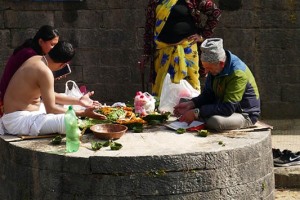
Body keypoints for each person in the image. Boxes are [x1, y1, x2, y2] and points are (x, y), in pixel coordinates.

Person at [0, 41, 105, 136]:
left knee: (65, 98)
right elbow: (51, 109)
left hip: (23, 112)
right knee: (67, 121)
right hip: (18, 121)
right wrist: (83, 113)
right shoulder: (45, 72)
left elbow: (50, 95)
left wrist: (79, 101)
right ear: (63, 65)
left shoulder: (35, 59)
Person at [174, 38, 261, 131]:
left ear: (221, 64)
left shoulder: (238, 74)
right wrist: (191, 104)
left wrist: (196, 112)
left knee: (215, 121)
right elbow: (208, 94)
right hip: (220, 104)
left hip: (243, 114)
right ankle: (199, 117)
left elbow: (228, 108)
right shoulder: (215, 69)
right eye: (205, 68)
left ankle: (200, 118)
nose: (206, 72)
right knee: (184, 101)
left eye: (209, 68)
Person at [141, 0, 221, 97]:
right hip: (163, 52)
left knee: (189, 89)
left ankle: (189, 110)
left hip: (187, 51)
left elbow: (215, 13)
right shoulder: (155, 1)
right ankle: (163, 111)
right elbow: (149, 27)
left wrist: (202, 35)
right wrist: (146, 53)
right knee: (164, 90)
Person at [0, 25, 60, 116]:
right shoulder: (31, 56)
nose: (55, 49)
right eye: (52, 45)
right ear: (40, 42)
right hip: (8, 104)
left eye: (56, 45)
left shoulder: (31, 51)